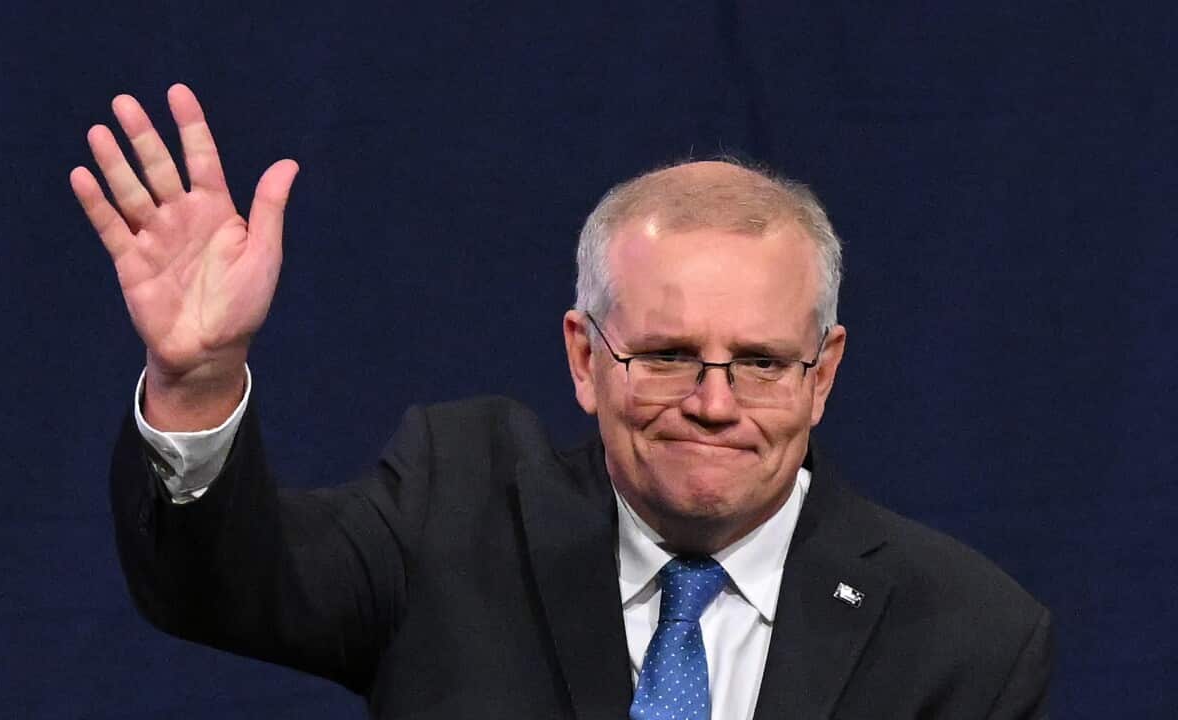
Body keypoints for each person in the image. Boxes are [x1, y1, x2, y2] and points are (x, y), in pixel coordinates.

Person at [73, 84, 1053, 719]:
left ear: (822, 375)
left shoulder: (966, 636)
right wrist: (196, 381)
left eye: (757, 362)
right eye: (667, 356)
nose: (713, 403)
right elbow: (218, 589)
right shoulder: (450, 514)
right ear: (583, 358)